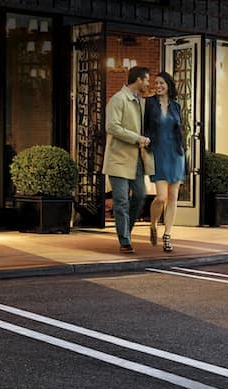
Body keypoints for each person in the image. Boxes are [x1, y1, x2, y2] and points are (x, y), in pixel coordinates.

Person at [104, 66, 154, 254]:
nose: (148, 84)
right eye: (147, 80)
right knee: (121, 201)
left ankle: (126, 231)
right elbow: (112, 127)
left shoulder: (141, 101)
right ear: (138, 80)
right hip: (118, 159)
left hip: (136, 160)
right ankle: (124, 240)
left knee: (140, 196)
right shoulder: (118, 99)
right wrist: (137, 138)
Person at [144, 71, 185, 252]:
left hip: (176, 154)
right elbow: (144, 127)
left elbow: (180, 129)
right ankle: (153, 225)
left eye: (162, 83)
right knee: (161, 197)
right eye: (156, 83)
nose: (158, 86)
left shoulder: (176, 106)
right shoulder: (149, 104)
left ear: (168, 85)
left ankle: (167, 235)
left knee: (173, 196)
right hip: (158, 153)